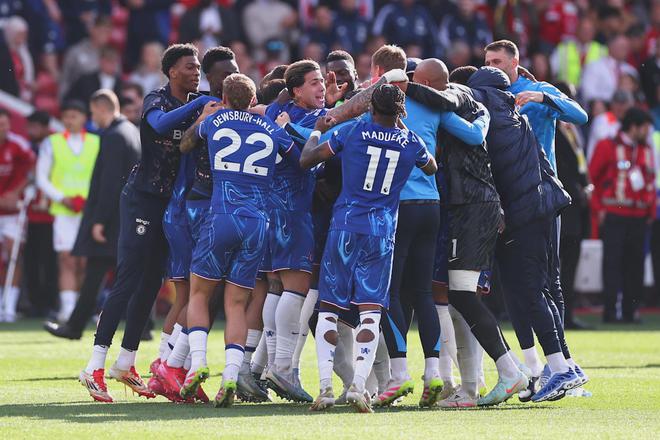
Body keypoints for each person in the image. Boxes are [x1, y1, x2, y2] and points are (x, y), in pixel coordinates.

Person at [79, 43, 218, 403]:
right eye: (189, 67)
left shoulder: (198, 103)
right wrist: (200, 107)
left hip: (170, 205)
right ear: (172, 71)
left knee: (153, 281)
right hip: (142, 197)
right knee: (128, 276)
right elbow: (158, 125)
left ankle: (126, 361)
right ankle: (94, 366)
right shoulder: (157, 99)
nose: (196, 72)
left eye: (198, 67)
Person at [302, 84, 438, 413]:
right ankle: (360, 387)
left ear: (371, 108)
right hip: (382, 231)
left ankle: (325, 388)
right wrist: (400, 125)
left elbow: (308, 159)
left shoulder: (353, 131)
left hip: (346, 226)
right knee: (371, 311)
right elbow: (432, 167)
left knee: (329, 308)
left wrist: (316, 131)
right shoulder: (410, 141)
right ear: (400, 112)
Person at [178, 73, 296, 408]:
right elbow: (299, 159)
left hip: (221, 215)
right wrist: (281, 126)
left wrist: (201, 119)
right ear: (253, 99)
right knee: (237, 304)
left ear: (225, 99)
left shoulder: (215, 121)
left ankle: (197, 365)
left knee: (200, 293)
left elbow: (185, 144)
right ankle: (231, 375)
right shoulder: (270, 128)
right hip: (257, 222)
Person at [485, 39, 588, 396]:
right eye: (488, 62)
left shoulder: (535, 91)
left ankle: (564, 366)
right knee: (515, 285)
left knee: (547, 282)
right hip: (508, 199)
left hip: (541, 196)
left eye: (498, 61)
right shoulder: (490, 95)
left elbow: (580, 116)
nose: (492, 67)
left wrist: (544, 97)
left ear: (515, 62)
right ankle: (539, 368)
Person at [155, 46, 244, 404]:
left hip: (211, 209)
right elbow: (180, 143)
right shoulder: (201, 108)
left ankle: (171, 366)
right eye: (225, 73)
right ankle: (167, 365)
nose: (232, 77)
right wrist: (203, 113)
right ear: (211, 78)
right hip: (189, 208)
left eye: (235, 71)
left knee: (205, 292)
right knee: (194, 292)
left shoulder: (234, 111)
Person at [44, 89, 141, 340]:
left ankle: (75, 326)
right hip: (127, 215)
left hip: (113, 219)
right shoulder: (130, 130)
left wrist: (99, 221)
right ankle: (143, 326)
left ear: (101, 108)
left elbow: (109, 184)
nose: (92, 117)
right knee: (126, 273)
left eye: (93, 112)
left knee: (98, 273)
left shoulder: (114, 136)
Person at [589, 108, 656, 323]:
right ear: (634, 127)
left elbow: (650, 181)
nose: (648, 132)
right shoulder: (607, 146)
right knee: (612, 264)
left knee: (635, 265)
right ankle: (610, 312)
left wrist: (650, 211)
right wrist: (598, 209)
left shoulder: (646, 150)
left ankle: (630, 312)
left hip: (639, 217)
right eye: (645, 128)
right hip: (614, 215)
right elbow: (592, 179)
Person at [36, 101, 100, 323]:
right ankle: (68, 308)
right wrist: (61, 197)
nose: (69, 120)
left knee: (85, 261)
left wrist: (93, 200)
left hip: (89, 210)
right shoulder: (51, 142)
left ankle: (83, 307)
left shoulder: (96, 141)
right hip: (63, 210)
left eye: (74, 116)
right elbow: (41, 177)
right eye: (66, 116)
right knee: (66, 259)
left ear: (84, 118)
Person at [554, 81, 593, 330]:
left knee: (570, 264)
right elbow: (561, 169)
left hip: (576, 208)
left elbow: (580, 164)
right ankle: (559, 316)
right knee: (560, 265)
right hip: (563, 206)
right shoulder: (553, 131)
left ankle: (567, 315)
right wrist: (577, 189)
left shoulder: (571, 131)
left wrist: (586, 186)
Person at [0, 109, 35, 322]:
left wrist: (14, 192)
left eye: (4, 124)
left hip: (13, 212)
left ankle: (9, 306)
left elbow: (33, 170)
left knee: (13, 254)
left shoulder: (18, 145)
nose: (1, 129)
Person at [23, 111, 58, 318]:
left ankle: (50, 303)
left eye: (35, 127)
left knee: (50, 261)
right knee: (31, 260)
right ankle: (34, 303)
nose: (31, 131)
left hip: (52, 214)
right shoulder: (26, 148)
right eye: (30, 126)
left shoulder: (55, 146)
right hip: (30, 214)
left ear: (46, 128)